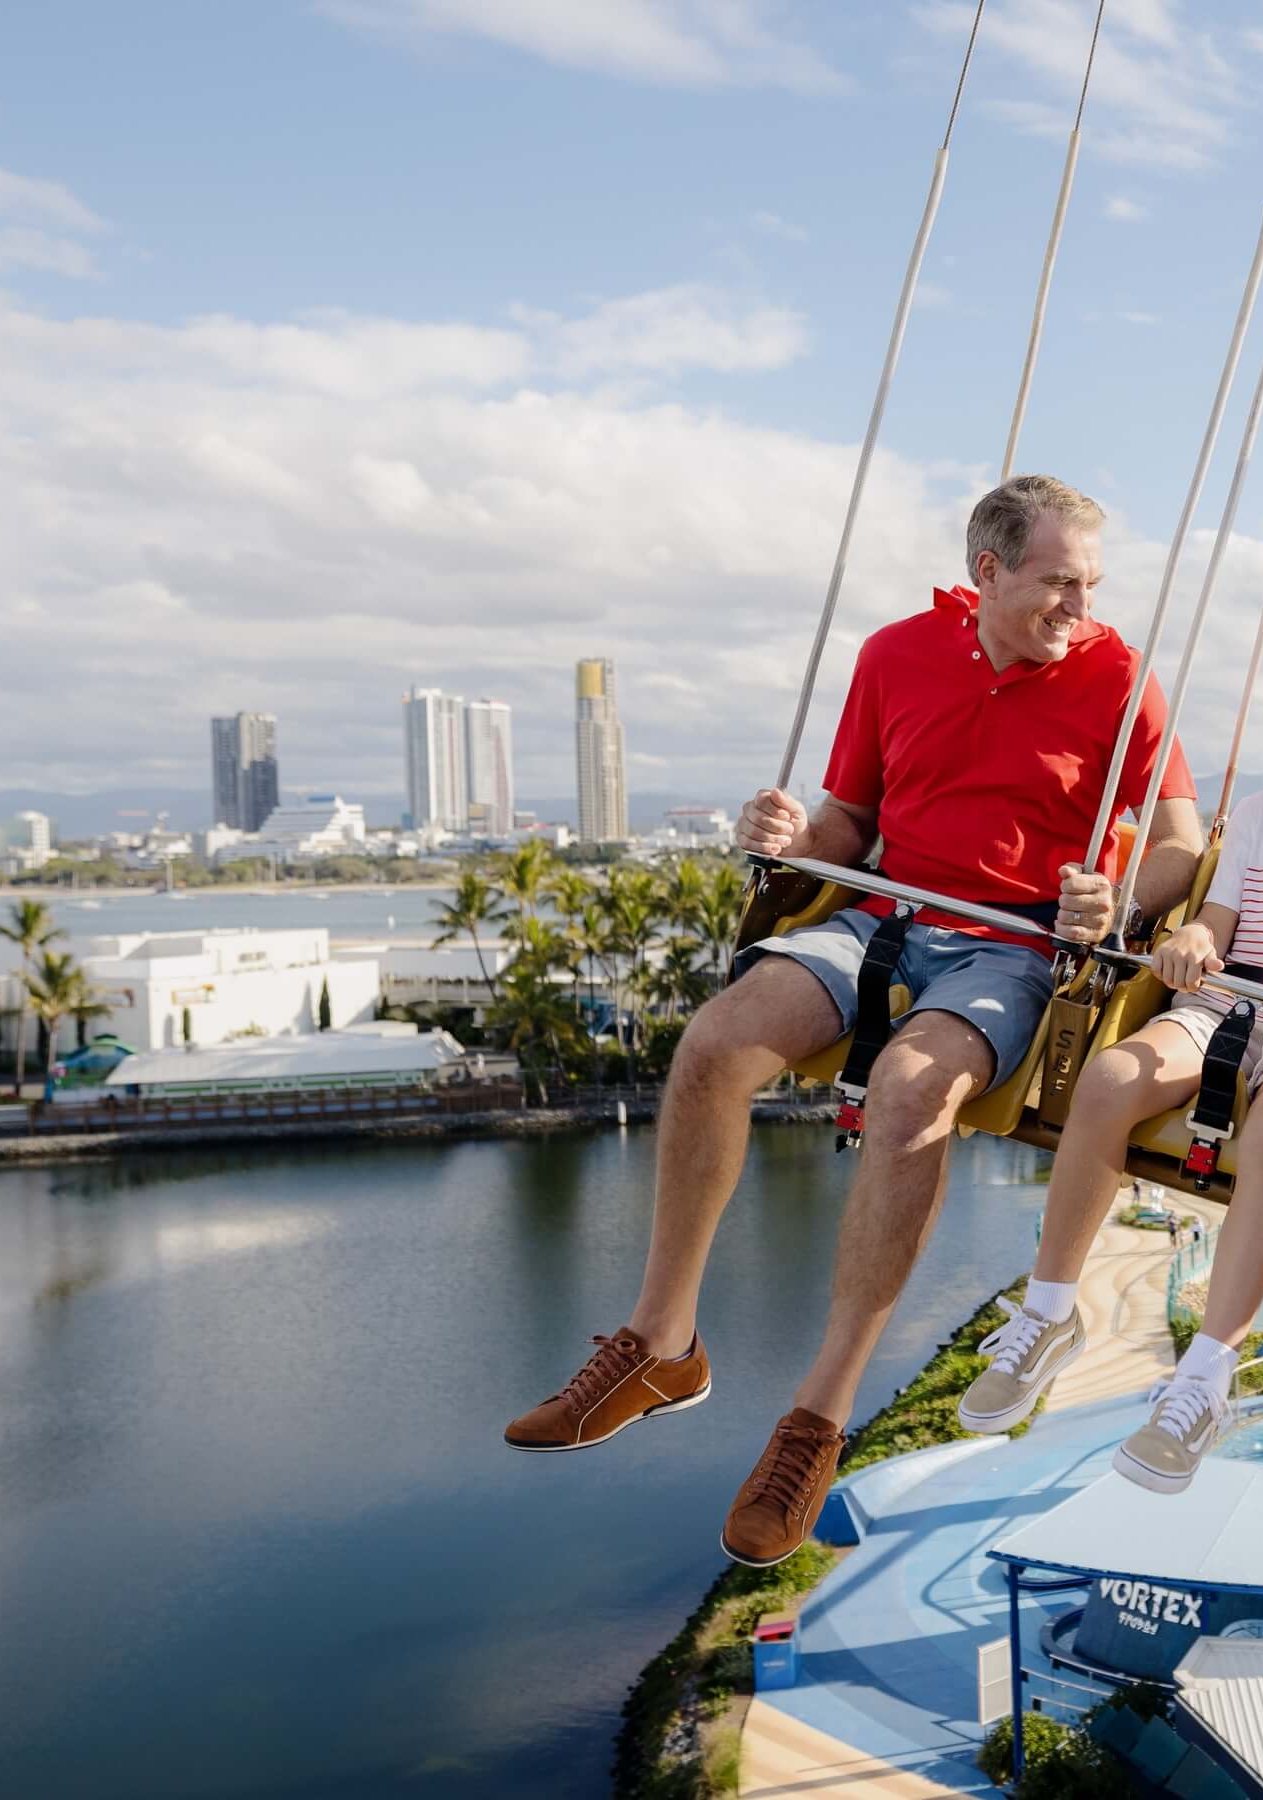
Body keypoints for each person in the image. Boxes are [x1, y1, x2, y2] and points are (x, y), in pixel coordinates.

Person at [499, 476, 1203, 1570]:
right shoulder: (891, 657)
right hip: (883, 911)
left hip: (1011, 942)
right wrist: (787, 833)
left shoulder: (1120, 678)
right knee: (713, 1047)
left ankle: (817, 1417)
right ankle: (661, 1343)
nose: (1081, 605)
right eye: (1058, 581)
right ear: (987, 573)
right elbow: (848, 823)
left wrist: (1124, 902)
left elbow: (1178, 841)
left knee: (911, 1090)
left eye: (1091, 584)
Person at [963, 625, 1263, 1496]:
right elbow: (1217, 925)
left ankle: (1205, 1378)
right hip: (1224, 1008)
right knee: (1111, 1078)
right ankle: (1048, 1315)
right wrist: (1190, 936)